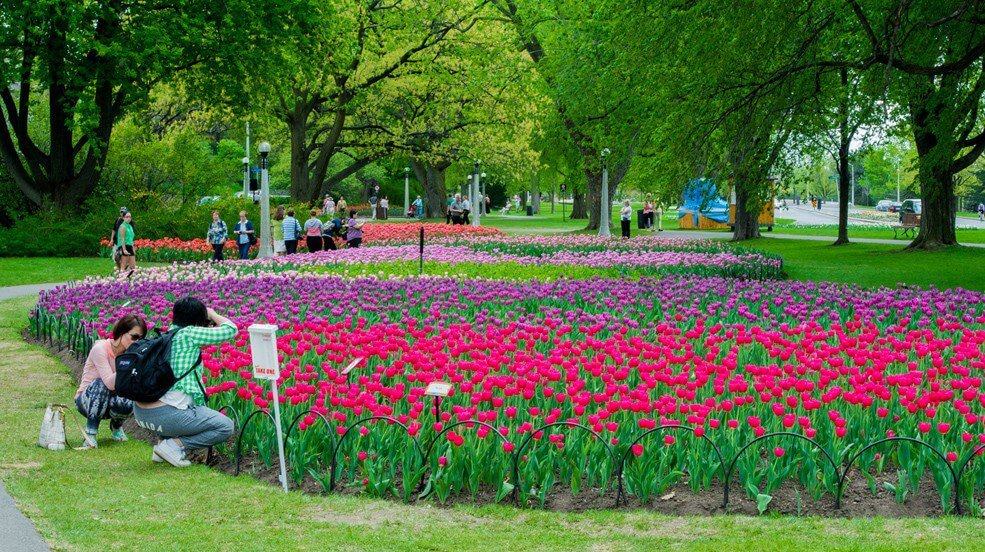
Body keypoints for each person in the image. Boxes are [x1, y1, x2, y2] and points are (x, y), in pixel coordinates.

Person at [133, 298, 237, 467]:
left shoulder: (166, 336)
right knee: (225, 426)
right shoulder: (188, 333)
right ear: (197, 321)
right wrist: (212, 314)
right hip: (166, 416)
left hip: (141, 414)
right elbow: (231, 330)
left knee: (175, 396)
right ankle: (174, 446)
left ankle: (162, 448)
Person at [75, 314, 146, 449]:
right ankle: (90, 434)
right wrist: (127, 363)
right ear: (121, 332)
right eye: (134, 337)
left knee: (131, 387)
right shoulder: (100, 349)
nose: (137, 342)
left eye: (141, 339)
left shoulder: (132, 354)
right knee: (100, 383)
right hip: (87, 401)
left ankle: (116, 426)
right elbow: (109, 383)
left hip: (111, 403)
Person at [109, 207, 130, 271]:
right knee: (115, 257)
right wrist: (111, 239)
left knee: (122, 256)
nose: (122, 213)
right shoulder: (117, 220)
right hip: (116, 241)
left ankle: (123, 269)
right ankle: (122, 269)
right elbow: (114, 230)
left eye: (124, 212)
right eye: (121, 212)